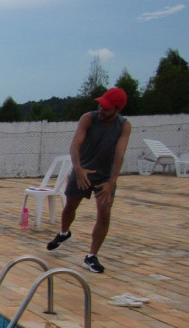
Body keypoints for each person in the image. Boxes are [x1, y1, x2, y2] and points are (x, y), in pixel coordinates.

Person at [46, 87, 132, 274]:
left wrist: (112, 182)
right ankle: (64, 233)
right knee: (70, 207)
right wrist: (77, 169)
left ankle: (91, 256)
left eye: (107, 108)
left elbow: (120, 154)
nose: (101, 110)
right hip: (82, 169)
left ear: (117, 110)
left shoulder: (124, 126)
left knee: (104, 213)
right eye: (101, 105)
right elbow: (75, 145)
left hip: (105, 176)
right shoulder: (88, 118)